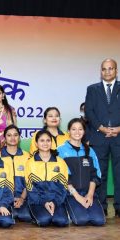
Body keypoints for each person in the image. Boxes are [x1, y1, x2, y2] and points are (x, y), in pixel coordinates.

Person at [85, 58, 120, 217]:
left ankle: (119, 207)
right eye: (104, 69)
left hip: (119, 136)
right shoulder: (92, 89)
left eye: (111, 68)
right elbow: (89, 112)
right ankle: (101, 206)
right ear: (100, 71)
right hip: (99, 136)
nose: (107, 71)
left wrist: (118, 129)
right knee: (101, 173)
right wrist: (102, 128)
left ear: (116, 71)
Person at [57, 118, 105, 226]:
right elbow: (62, 176)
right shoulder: (60, 150)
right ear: (68, 131)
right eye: (73, 129)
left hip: (88, 192)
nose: (77, 132)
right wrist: (77, 196)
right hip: (71, 193)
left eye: (80, 129)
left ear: (84, 131)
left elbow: (95, 174)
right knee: (81, 220)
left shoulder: (90, 150)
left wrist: (90, 194)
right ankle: (66, 208)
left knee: (99, 221)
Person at [25, 130, 69, 227]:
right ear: (36, 144)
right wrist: (44, 202)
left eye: (48, 140)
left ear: (51, 143)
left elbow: (64, 187)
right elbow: (30, 188)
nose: (45, 143)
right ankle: (35, 214)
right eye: (42, 140)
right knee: (44, 221)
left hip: (56, 201)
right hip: (37, 201)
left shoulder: (60, 162)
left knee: (61, 222)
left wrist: (54, 202)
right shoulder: (30, 163)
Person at [0, 125, 31, 222]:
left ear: (19, 137)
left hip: (23, 197)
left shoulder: (27, 156)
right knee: (5, 220)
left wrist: (22, 198)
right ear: (4, 138)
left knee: (26, 217)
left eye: (15, 135)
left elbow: (30, 180)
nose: (12, 138)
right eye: (9, 135)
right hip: (3, 197)